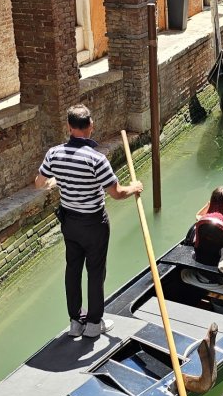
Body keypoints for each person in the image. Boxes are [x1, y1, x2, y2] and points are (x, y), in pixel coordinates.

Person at [36, 104, 143, 339]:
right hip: (94, 224)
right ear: (90, 127)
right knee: (95, 271)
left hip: (69, 223)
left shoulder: (54, 154)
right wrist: (134, 187)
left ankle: (75, 322)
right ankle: (94, 324)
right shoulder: (97, 159)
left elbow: (39, 182)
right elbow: (116, 193)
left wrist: (57, 180)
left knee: (72, 270)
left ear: (69, 127)